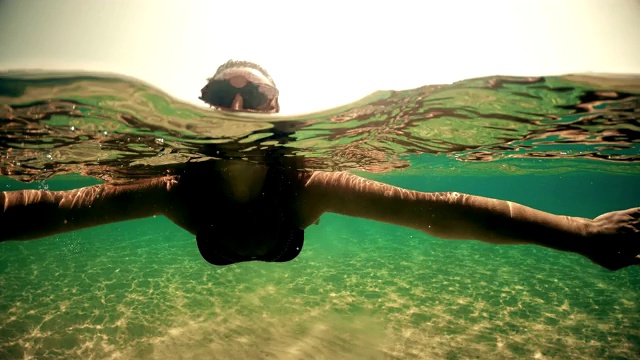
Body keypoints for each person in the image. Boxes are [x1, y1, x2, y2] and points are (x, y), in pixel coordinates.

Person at [1, 60, 639, 271]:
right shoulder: (178, 187)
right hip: (221, 235)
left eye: (259, 100)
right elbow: (56, 207)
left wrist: (580, 235)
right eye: (222, 99)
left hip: (280, 238)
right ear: (198, 108)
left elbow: (441, 211)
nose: (241, 109)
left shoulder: (305, 185)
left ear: (282, 111)